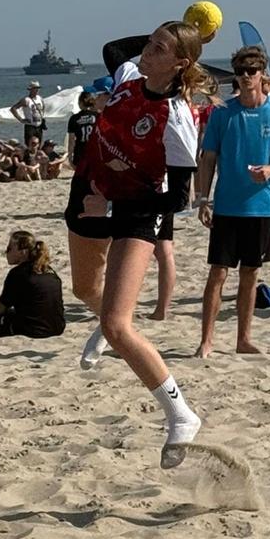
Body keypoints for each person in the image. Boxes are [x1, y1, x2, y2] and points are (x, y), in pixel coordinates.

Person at [79, 23, 207, 465]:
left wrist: (112, 206)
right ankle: (106, 322)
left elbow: (177, 199)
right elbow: (113, 47)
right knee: (84, 288)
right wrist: (169, 29)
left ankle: (181, 415)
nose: (146, 53)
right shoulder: (130, 75)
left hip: (136, 209)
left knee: (118, 326)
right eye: (148, 44)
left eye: (158, 49)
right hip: (91, 190)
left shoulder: (177, 117)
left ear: (180, 64)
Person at [195, 43, 270, 358]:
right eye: (240, 71)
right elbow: (208, 157)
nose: (245, 76)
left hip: (262, 205)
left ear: (262, 73)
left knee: (250, 273)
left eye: (251, 70)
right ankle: (207, 341)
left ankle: (244, 338)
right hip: (227, 204)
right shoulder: (223, 111)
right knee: (218, 272)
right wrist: (203, 198)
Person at [0, 231, 66, 339]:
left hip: (32, 330)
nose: (6, 252)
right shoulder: (49, 270)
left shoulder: (17, 273)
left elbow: (1, 310)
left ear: (23, 252)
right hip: (57, 327)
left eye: (9, 248)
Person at [66, 91, 98, 170]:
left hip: (80, 151)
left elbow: (71, 140)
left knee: (80, 174)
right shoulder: (97, 116)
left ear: (80, 103)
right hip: (95, 150)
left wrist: (70, 157)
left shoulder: (74, 118)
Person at [9, 82, 46, 149]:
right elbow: (13, 108)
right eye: (35, 88)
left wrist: (42, 116)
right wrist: (20, 119)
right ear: (31, 89)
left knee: (39, 144)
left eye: (38, 88)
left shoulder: (40, 98)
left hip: (39, 126)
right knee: (29, 144)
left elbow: (43, 107)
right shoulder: (26, 100)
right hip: (30, 126)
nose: (37, 90)